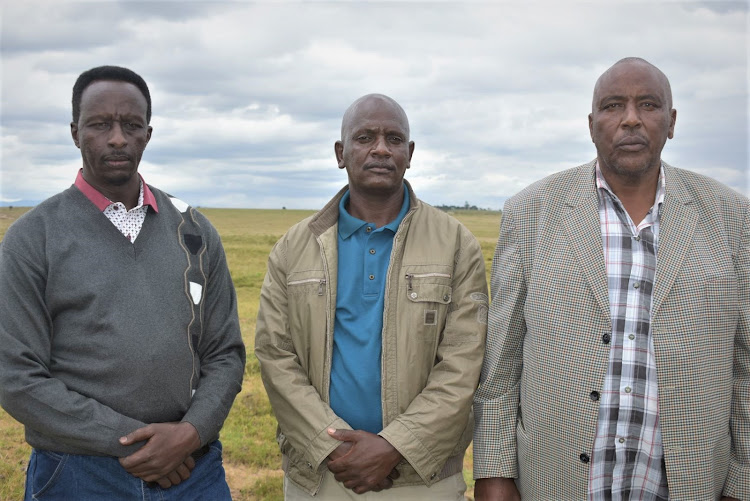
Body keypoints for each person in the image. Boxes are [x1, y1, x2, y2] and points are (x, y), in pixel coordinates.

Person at [473, 57, 749, 500]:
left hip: (690, 484)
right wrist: (493, 473)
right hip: (555, 482)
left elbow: (746, 367)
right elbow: (501, 368)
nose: (631, 119)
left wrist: (742, 483)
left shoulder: (732, 217)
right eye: (613, 105)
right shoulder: (532, 212)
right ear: (591, 123)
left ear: (672, 122)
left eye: (649, 105)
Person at [0, 65, 246, 500]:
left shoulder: (195, 231)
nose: (117, 139)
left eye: (131, 125)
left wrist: (190, 434)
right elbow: (15, 376)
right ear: (75, 132)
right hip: (76, 474)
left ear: (148, 134)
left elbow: (224, 353)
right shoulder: (32, 238)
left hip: (195, 471)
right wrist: (144, 444)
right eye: (100, 125)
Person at [255, 93, 488, 499]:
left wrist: (396, 445)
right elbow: (275, 355)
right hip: (322, 475)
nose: (381, 148)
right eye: (365, 137)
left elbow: (464, 362)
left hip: (421, 478)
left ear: (410, 153)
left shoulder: (455, 243)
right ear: (340, 152)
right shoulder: (295, 247)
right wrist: (329, 445)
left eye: (394, 139)